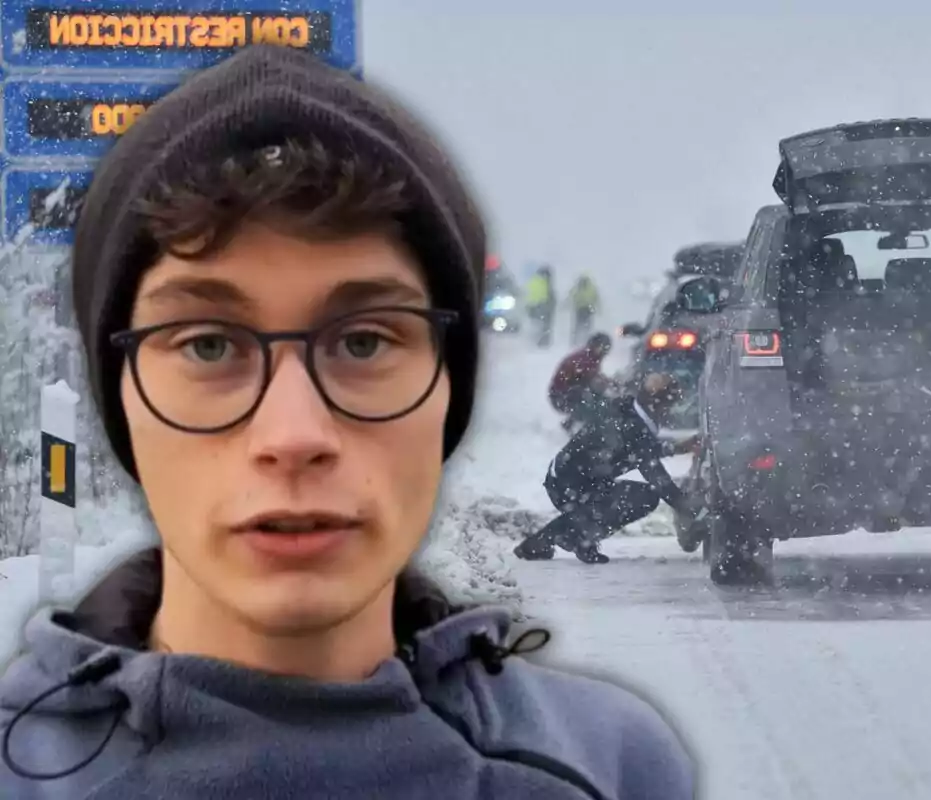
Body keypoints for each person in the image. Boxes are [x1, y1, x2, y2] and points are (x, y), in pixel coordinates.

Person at [0, 46, 693, 799]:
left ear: (447, 388)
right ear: (120, 396)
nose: (293, 435)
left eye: (364, 342)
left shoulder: (611, 769)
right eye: (207, 344)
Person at [515, 374, 705, 565]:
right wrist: (684, 505)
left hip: (576, 480)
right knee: (643, 498)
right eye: (670, 406)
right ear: (658, 404)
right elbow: (654, 472)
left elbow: (642, 449)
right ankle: (567, 539)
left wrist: (677, 448)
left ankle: (568, 539)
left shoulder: (629, 412)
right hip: (567, 485)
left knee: (619, 499)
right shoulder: (632, 425)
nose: (670, 413)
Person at [548, 332, 615, 431]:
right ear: (594, 345)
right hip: (559, 396)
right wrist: (606, 383)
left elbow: (594, 377)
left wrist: (610, 382)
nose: (603, 351)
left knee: (599, 399)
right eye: (602, 347)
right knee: (589, 398)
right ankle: (582, 428)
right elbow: (588, 378)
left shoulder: (592, 358)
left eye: (606, 348)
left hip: (568, 393)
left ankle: (576, 424)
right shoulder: (583, 358)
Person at [525, 264, 557, 347]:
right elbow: (549, 295)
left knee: (537, 325)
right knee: (544, 325)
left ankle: (535, 341)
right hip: (542, 306)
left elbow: (528, 294)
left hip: (533, 306)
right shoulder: (545, 282)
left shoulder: (533, 280)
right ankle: (542, 341)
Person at [567, 273, 601, 345]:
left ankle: (576, 342)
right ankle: (582, 341)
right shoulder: (591, 288)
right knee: (584, 327)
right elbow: (597, 299)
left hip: (582, 309)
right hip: (586, 309)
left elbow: (571, 297)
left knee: (579, 327)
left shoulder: (578, 288)